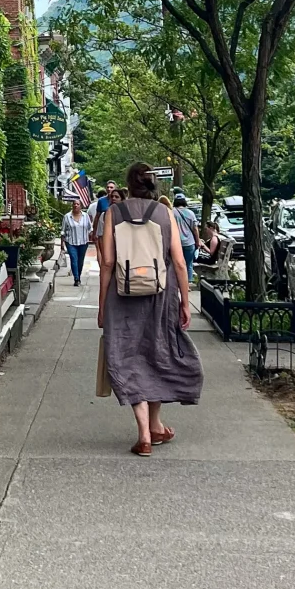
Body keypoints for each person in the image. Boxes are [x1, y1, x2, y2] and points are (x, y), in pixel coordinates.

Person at [98, 162, 204, 455]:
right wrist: (185, 301)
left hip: (122, 293)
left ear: (128, 184)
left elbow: (107, 262)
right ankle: (153, 427)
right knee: (156, 352)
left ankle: (147, 431)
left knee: (128, 357)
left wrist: (101, 303)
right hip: (160, 293)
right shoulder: (164, 212)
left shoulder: (113, 213)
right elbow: (180, 262)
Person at [61, 195, 93, 285]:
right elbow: (63, 231)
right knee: (74, 259)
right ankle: (76, 278)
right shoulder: (67, 217)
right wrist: (62, 244)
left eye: (78, 204)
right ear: (72, 206)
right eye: (74, 204)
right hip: (71, 242)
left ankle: (78, 274)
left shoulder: (85, 216)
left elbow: (90, 228)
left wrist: (92, 236)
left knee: (80, 261)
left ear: (81, 206)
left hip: (83, 242)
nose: (76, 205)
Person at [171, 191, 201, 286]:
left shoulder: (171, 212)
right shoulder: (191, 213)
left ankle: (177, 283)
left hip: (176, 243)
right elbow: (195, 229)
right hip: (189, 243)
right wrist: (197, 241)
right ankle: (187, 284)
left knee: (176, 264)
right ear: (184, 202)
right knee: (188, 264)